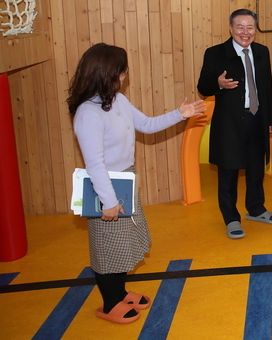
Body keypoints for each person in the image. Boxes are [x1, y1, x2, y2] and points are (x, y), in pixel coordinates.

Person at [67, 43, 205, 324]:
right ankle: (109, 304)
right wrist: (108, 202)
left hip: (124, 179)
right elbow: (95, 164)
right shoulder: (88, 113)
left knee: (123, 243)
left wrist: (179, 114)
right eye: (121, 70)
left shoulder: (117, 100)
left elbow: (147, 125)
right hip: (105, 186)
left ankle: (119, 293)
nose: (124, 75)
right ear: (106, 73)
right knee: (107, 248)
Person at [197, 9, 272, 239]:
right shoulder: (215, 53)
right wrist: (218, 84)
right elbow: (203, 86)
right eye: (240, 27)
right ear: (231, 28)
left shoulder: (262, 51)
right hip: (229, 123)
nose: (245, 32)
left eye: (250, 27)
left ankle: (256, 208)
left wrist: (271, 118)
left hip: (257, 118)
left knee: (256, 168)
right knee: (228, 171)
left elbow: (266, 88)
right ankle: (231, 218)